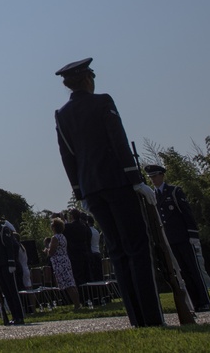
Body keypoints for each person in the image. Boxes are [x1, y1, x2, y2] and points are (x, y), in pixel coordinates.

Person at [54, 57, 163, 327]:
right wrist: (135, 179)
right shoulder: (103, 101)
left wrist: (80, 194)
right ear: (88, 79)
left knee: (117, 252)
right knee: (137, 248)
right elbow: (118, 141)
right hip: (117, 182)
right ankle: (151, 316)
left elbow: (67, 156)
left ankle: (136, 318)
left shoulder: (62, 114)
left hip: (91, 190)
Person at [145, 164, 210, 311]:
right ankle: (194, 302)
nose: (153, 180)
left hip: (183, 237)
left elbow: (187, 214)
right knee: (182, 272)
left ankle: (204, 301)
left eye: (155, 176)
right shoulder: (154, 196)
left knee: (193, 269)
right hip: (169, 240)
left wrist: (193, 235)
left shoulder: (174, 191)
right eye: (151, 177)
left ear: (162, 175)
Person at [0, 206, 26, 325]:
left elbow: (10, 247)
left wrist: (11, 262)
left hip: (6, 264)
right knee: (5, 292)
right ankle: (13, 316)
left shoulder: (3, 229)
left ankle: (19, 316)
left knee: (12, 291)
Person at [45, 218, 81, 309]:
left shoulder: (55, 237)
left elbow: (52, 252)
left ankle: (76, 305)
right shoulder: (63, 237)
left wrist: (47, 250)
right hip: (65, 260)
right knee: (71, 282)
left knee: (68, 284)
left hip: (59, 262)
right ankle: (77, 303)